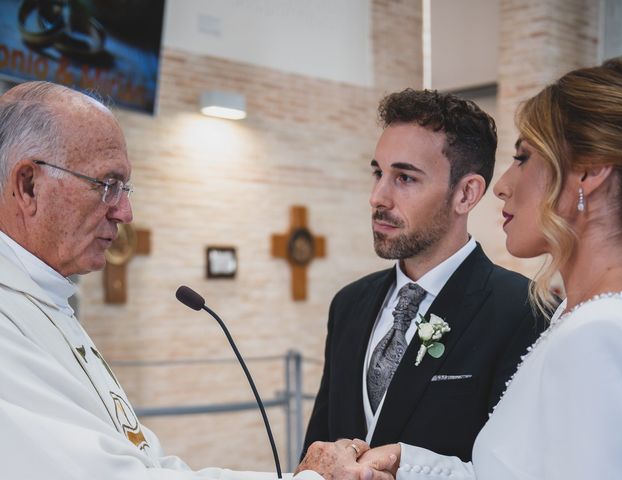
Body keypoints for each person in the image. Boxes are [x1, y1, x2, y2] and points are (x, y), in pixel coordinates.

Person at [0, 81, 394, 480]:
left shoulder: (44, 301)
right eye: (107, 185)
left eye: (125, 188)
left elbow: (147, 462)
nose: (125, 211)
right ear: (29, 185)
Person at [347, 56, 622, 479]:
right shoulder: (573, 316)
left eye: (523, 158)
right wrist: (405, 464)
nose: (502, 186)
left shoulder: (600, 334)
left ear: (589, 173)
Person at [302, 89, 544, 462]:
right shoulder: (349, 304)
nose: (378, 197)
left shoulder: (523, 311)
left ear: (466, 193)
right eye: (378, 173)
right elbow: (318, 447)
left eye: (405, 178)